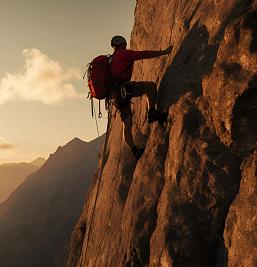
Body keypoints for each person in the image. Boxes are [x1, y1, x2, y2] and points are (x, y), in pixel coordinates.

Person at [110, 35, 173, 159]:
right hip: (124, 89)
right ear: (122, 44)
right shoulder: (123, 54)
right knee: (150, 86)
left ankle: (134, 150)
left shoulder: (111, 60)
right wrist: (164, 52)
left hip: (115, 96)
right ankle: (152, 112)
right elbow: (143, 54)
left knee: (127, 124)